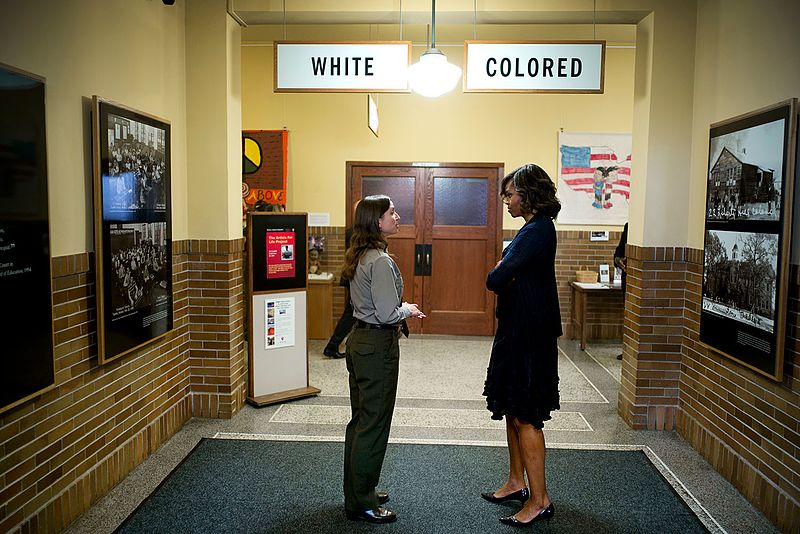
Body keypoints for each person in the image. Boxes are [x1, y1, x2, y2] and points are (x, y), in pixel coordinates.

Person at [482, 163, 562, 527]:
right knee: (513, 409)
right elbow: (503, 276)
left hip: (530, 336)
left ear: (527, 195)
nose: (506, 200)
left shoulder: (536, 232)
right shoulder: (530, 230)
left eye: (510, 194)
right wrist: (506, 272)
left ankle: (539, 499)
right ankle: (517, 483)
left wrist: (504, 269)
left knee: (527, 415)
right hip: (518, 331)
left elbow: (495, 277)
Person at [340, 195, 425, 524]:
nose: (397, 216)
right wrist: (410, 309)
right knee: (374, 425)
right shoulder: (380, 260)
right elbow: (389, 313)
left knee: (360, 421)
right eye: (391, 212)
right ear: (377, 221)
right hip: (377, 345)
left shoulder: (361, 254)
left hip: (360, 341)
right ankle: (362, 501)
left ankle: (357, 490)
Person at [323, 226, 355, 358]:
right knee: (351, 312)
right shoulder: (359, 231)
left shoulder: (352, 230)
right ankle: (332, 345)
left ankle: (334, 345)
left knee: (351, 311)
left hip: (351, 273)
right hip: (355, 274)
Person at [613, 223, 628, 360]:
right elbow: (618, 252)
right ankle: (628, 349)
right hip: (627, 277)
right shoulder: (629, 226)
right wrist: (618, 260)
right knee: (628, 314)